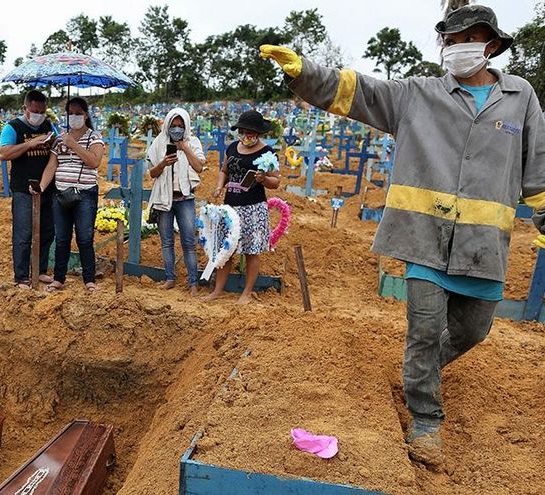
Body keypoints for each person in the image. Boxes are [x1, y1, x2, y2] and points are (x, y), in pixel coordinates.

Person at [261, 3, 545, 467]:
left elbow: (538, 163)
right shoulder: (419, 94)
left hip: (482, 247)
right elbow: (359, 92)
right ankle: (426, 420)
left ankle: (421, 370)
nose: (457, 48)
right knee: (424, 330)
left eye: (468, 39)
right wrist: (304, 72)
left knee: (473, 330)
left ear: (491, 45)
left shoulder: (520, 97)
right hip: (424, 237)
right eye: (450, 41)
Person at [207, 111, 281, 304]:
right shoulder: (232, 147)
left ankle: (247, 292)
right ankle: (217, 290)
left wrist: (263, 179)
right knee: (226, 249)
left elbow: (276, 181)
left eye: (251, 132)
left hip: (253, 208)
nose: (247, 135)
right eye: (244, 131)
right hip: (231, 207)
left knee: (251, 251)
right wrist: (219, 186)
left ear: (258, 133)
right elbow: (225, 171)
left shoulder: (267, 152)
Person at [36, 97, 105, 292]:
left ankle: (89, 279)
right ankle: (59, 278)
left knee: (84, 238)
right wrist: (41, 187)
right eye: (71, 113)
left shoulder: (94, 137)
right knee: (62, 238)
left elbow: (94, 162)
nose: (74, 117)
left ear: (86, 115)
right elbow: (52, 166)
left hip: (85, 194)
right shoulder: (60, 139)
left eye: (78, 113)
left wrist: (73, 144)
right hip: (61, 193)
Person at [0, 90, 57, 289]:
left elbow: (57, 146)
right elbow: (4, 153)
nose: (38, 115)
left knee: (47, 231)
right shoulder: (13, 127)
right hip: (23, 188)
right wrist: (29, 144)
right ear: (25, 108)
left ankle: (40, 270)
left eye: (42, 111)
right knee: (23, 233)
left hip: (47, 186)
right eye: (35, 111)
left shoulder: (48, 126)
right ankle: (21, 276)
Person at [147, 108, 206, 295]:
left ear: (186, 126)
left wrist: (185, 148)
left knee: (188, 242)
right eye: (173, 125)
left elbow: (199, 167)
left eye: (181, 125)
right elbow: (152, 173)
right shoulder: (159, 143)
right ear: (168, 125)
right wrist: (163, 163)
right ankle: (170, 278)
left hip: (185, 199)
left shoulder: (193, 142)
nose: (177, 129)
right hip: (165, 199)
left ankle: (193, 282)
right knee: (166, 242)